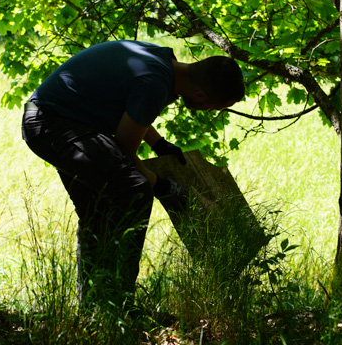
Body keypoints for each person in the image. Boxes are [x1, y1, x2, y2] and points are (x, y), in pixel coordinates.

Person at [22, 39, 244, 302]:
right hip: (52, 124)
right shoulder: (155, 82)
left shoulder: (163, 62)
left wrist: (158, 143)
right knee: (134, 190)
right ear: (200, 95)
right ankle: (120, 301)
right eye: (214, 107)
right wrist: (162, 186)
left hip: (66, 122)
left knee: (98, 209)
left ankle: (96, 306)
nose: (210, 111)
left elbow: (130, 109)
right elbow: (125, 151)